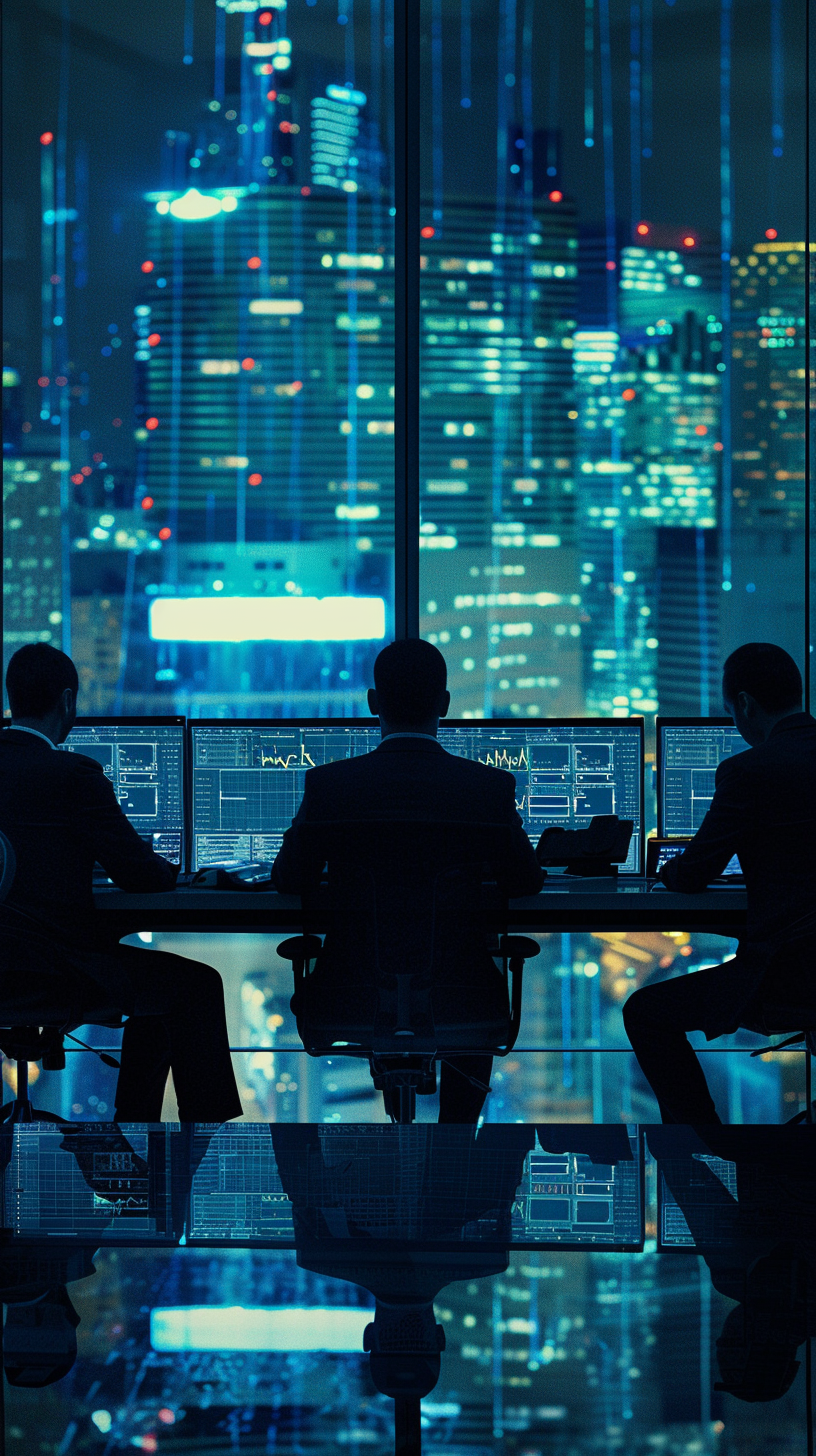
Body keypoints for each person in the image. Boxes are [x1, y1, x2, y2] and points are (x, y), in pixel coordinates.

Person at [271, 639, 544, 1122]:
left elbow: (289, 878)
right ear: (444, 704)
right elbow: (525, 882)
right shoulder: (486, 789)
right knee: (464, 997)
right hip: (462, 994)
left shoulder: (330, 786)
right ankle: (455, 1146)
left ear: (374, 703)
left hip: (350, 991)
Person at [0, 643, 242, 1124]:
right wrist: (178, 869)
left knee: (158, 987)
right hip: (57, 973)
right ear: (68, 701)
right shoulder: (74, 775)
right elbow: (141, 876)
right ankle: (162, 1141)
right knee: (191, 987)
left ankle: (135, 1137)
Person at [624, 642, 816, 1122]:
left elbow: (693, 874)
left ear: (746, 705)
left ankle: (700, 1144)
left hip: (788, 976)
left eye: (732, 713)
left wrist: (662, 868)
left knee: (645, 1014)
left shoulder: (749, 771)